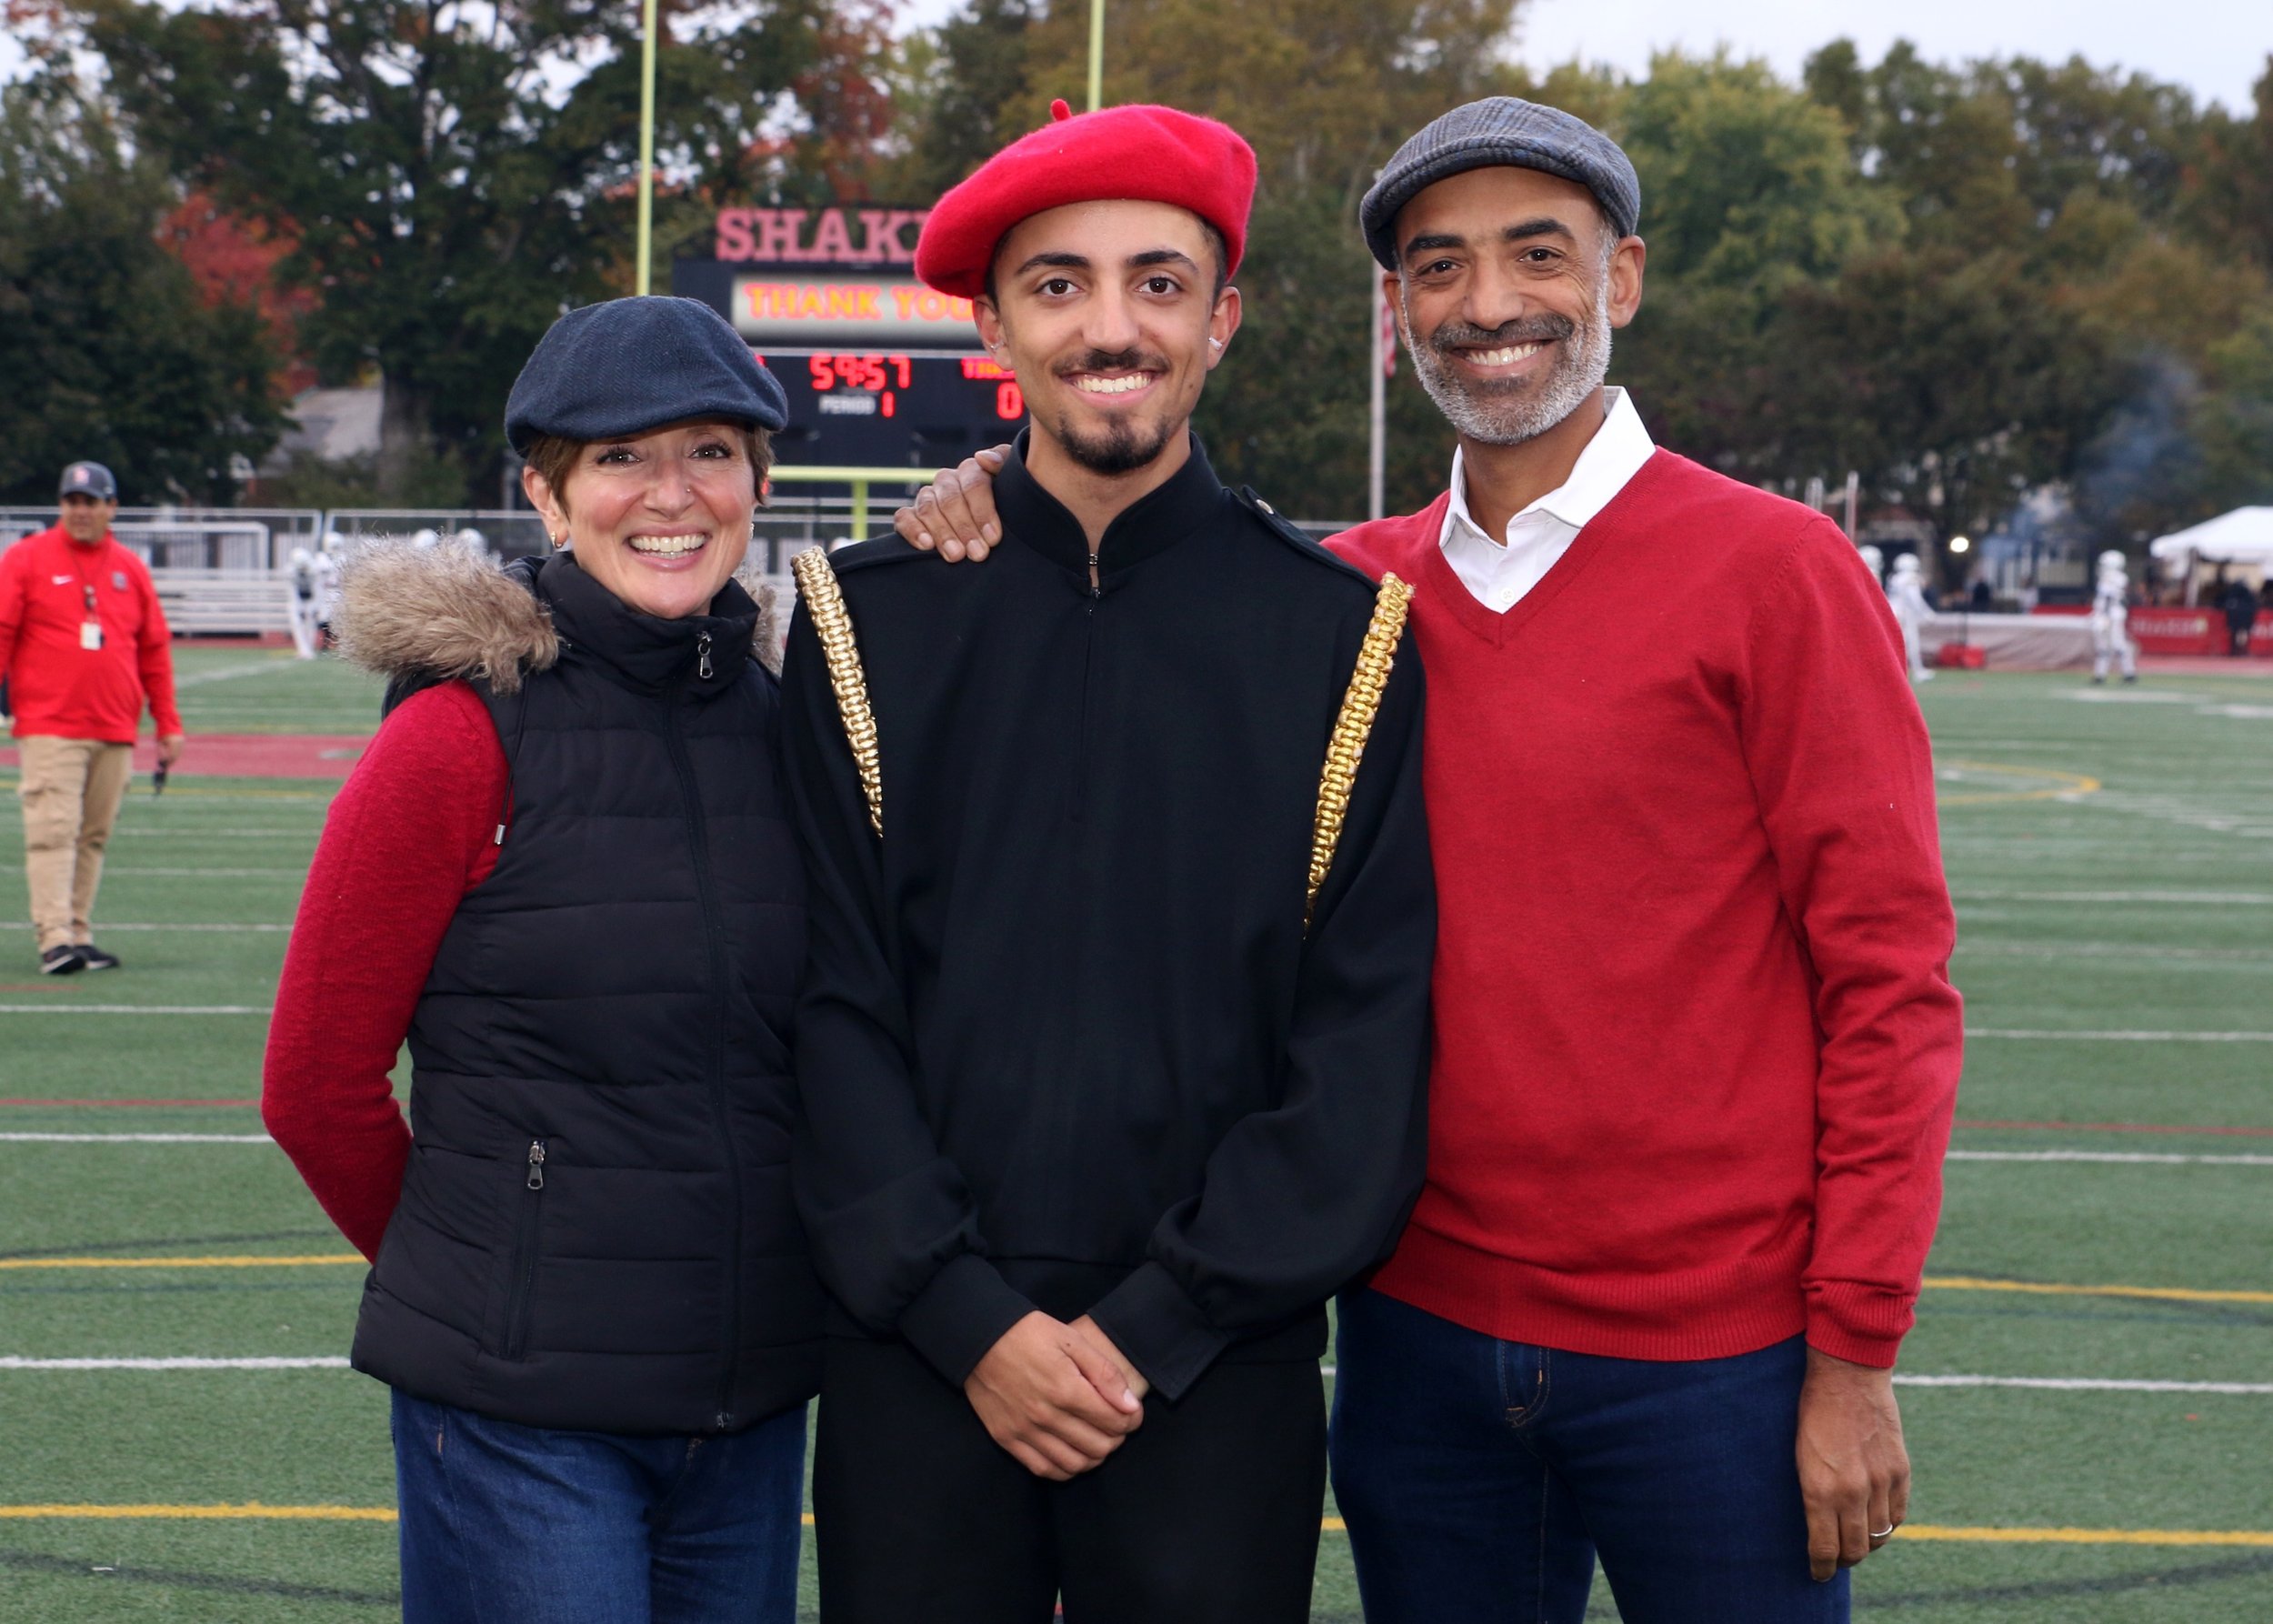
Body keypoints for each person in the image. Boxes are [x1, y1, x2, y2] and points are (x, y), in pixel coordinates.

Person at [897, 93, 1963, 1624]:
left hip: (1711, 1360)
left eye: (1539, 253)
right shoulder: (1351, 594)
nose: (1490, 303)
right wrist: (984, 496)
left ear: (1625, 278)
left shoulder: (1777, 572)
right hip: (1419, 1340)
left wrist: (1855, 1353)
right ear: (1397, 312)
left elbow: (1890, 983)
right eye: (1439, 267)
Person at [782, 100, 1435, 1624]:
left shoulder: (1344, 636)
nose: (1110, 327)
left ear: (1223, 317)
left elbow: (1363, 1042)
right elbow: (826, 1004)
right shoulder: (861, 622)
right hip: (915, 1358)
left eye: (1157, 280)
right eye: (1058, 285)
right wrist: (966, 1317)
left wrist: (1157, 1323)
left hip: (1215, 1373)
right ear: (995, 328)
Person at [262, 297, 822, 1623]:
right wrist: (481, 1277)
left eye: (709, 451)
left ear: (758, 480)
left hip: (748, 1401)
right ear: (548, 492)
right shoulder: (459, 738)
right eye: (621, 457)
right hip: (522, 1416)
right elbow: (316, 1082)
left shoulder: (800, 720)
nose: (670, 494)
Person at [0, 460, 185, 975]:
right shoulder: (24, 559)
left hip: (114, 727)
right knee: (53, 830)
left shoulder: (130, 567)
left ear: (111, 508)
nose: (80, 511)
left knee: (94, 834)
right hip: (49, 724)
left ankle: (77, 932)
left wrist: (167, 723)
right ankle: (54, 938)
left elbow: (154, 649)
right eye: (72, 502)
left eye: (91, 502)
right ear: (61, 506)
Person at [1887, 552, 1937, 681]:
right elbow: (1914, 598)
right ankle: (1917, 671)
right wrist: (1926, 613)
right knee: (1912, 643)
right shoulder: (1910, 578)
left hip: (1892, 612)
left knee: (1896, 643)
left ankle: (1905, 671)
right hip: (1904, 613)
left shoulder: (1894, 578)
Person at [2090, 549, 2138, 685]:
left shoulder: (2113, 578)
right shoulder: (2118, 578)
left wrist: (2103, 615)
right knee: (2104, 646)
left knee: (2117, 643)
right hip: (2111, 613)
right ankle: (2100, 674)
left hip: (2110, 614)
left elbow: (2108, 598)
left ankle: (2129, 673)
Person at [285, 545, 325, 658]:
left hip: (310, 599)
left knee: (311, 622)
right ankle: (303, 649)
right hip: (297, 600)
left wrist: (315, 607)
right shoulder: (290, 571)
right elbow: (293, 592)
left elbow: (317, 589)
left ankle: (309, 649)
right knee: (296, 622)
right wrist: (299, 609)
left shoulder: (314, 570)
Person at [2217, 566, 2256, 656]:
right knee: (2240, 635)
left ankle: (2236, 650)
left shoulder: (2235, 592)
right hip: (2242, 618)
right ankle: (2239, 651)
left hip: (2237, 618)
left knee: (2237, 635)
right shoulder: (2245, 593)